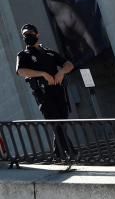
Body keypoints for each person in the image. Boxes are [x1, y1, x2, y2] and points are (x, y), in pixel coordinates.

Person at [15, 24, 76, 157]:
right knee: (55, 121)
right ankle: (71, 152)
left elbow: (69, 65)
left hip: (59, 91)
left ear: (37, 34)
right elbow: (20, 71)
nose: (27, 36)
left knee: (62, 122)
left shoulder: (49, 52)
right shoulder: (24, 55)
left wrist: (61, 73)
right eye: (25, 35)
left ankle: (58, 154)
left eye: (30, 33)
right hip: (43, 93)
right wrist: (42, 74)